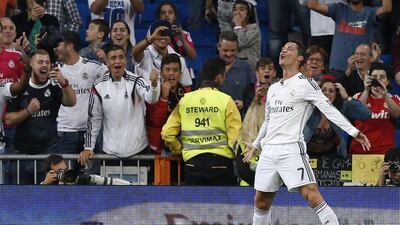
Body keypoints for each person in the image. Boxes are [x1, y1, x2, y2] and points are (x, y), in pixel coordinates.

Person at [245, 41, 370, 225]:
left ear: (300, 58)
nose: (283, 50)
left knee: (311, 195)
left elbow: (329, 109)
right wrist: (256, 144)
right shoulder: (273, 88)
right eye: (283, 48)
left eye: (290, 49)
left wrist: (352, 131)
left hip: (291, 149)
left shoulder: (306, 84)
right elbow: (269, 121)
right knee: (261, 200)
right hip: (269, 151)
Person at [161, 57, 242, 185]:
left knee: (194, 204)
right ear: (219, 78)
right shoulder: (226, 100)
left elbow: (167, 133)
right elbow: (236, 139)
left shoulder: (185, 100)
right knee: (225, 205)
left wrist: (179, 150)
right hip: (221, 166)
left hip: (192, 165)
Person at [78, 45, 160, 165]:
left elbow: (151, 99)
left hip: (137, 150)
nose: (117, 61)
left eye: (121, 57)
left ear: (126, 61)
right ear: (107, 61)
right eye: (113, 58)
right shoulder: (98, 86)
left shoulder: (137, 81)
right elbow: (93, 119)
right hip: (110, 152)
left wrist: (154, 84)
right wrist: (88, 147)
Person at [4, 49, 76, 184]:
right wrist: (28, 111)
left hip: (48, 154)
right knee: (21, 198)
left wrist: (64, 83)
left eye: (47, 62)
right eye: (40, 62)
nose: (44, 65)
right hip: (21, 153)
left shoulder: (55, 88)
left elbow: (71, 102)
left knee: (48, 197)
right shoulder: (20, 88)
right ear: (31, 64)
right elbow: (8, 119)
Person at [308, 0, 392, 79]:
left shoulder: (371, 13)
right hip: (337, 70)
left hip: (360, 72)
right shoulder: (339, 9)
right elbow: (312, 5)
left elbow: (387, 8)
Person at [54, 31, 108, 155]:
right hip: (65, 132)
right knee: (65, 174)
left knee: (91, 174)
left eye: (59, 45)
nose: (56, 49)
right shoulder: (55, 70)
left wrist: (105, 60)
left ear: (69, 46)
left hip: (89, 132)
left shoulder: (92, 67)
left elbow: (113, 76)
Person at [303, 79, 371, 157]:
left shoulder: (342, 109)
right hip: (305, 154)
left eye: (331, 91)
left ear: (336, 95)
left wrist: (346, 97)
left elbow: (366, 114)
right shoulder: (308, 108)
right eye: (323, 90)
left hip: (332, 156)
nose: (327, 93)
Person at [235, 58, 276, 186]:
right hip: (251, 135)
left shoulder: (279, 89)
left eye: (270, 68)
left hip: (271, 136)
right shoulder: (249, 89)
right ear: (257, 73)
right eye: (263, 69)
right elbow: (248, 112)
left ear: (274, 73)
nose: (266, 71)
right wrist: (255, 99)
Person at [350, 62, 400, 154]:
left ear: (388, 81)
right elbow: (355, 112)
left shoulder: (394, 99)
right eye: (374, 77)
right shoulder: (358, 96)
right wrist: (366, 90)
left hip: (385, 153)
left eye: (382, 77)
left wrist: (385, 95)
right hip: (360, 151)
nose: (378, 80)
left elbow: (396, 114)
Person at [146, 53, 188, 154]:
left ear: (180, 74)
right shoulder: (154, 93)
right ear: (161, 73)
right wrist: (163, 99)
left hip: (181, 146)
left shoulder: (186, 94)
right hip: (159, 149)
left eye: (175, 70)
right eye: (167, 69)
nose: (171, 73)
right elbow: (156, 121)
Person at [133, 20, 193, 88]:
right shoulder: (145, 54)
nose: (162, 37)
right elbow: (135, 53)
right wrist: (152, 38)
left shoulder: (179, 59)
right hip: (146, 97)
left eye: (166, 33)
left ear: (170, 38)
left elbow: (186, 86)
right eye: (159, 33)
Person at [216, 30, 255, 117]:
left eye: (233, 50)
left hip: (237, 119)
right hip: (214, 119)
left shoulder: (246, 68)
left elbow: (251, 95)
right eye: (225, 50)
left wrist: (244, 103)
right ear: (218, 47)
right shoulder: (210, 66)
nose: (229, 54)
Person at [232, 0, 261, 69]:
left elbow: (240, 43)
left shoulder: (254, 28)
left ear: (248, 13)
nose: (237, 12)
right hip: (234, 67)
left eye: (242, 9)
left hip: (250, 68)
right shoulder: (232, 28)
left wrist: (238, 25)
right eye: (235, 9)